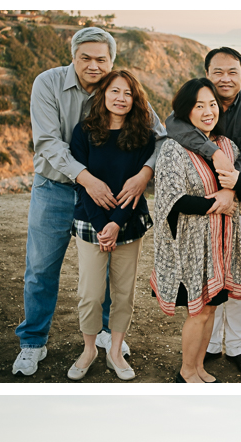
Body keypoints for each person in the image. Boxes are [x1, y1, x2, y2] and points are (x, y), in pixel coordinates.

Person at [12, 26, 166, 378]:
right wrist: (86, 178)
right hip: (55, 188)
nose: (94, 65)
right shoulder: (47, 84)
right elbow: (49, 142)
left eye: (102, 59)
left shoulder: (121, 89)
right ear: (73, 57)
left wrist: (145, 174)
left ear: (111, 60)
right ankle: (33, 342)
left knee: (110, 268)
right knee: (41, 268)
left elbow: (159, 137)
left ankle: (109, 337)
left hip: (108, 197)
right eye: (86, 58)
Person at [165, 47, 241, 376]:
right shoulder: (198, 98)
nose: (226, 78)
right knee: (211, 276)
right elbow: (174, 126)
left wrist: (229, 186)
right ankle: (208, 346)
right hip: (206, 212)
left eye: (232, 71)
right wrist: (213, 152)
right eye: (218, 71)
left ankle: (237, 345)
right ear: (207, 73)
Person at [152, 79, 241, 384]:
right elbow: (173, 199)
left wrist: (232, 194)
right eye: (199, 106)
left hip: (221, 247)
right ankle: (187, 371)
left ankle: (199, 368)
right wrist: (219, 201)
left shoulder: (226, 147)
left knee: (210, 311)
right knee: (197, 314)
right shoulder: (173, 149)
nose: (208, 111)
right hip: (190, 248)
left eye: (212, 104)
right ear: (186, 111)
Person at [67, 69, 156, 381]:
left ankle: (115, 351)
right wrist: (102, 225)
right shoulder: (83, 132)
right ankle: (90, 349)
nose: (121, 98)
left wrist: (116, 224)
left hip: (128, 224)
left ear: (135, 99)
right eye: (115, 91)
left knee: (123, 293)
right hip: (90, 223)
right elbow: (83, 184)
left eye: (128, 93)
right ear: (103, 94)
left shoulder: (143, 136)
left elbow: (136, 188)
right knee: (90, 294)